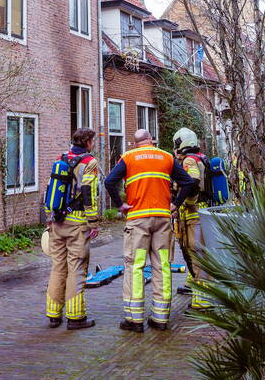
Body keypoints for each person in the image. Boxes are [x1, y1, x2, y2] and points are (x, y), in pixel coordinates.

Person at [105, 128, 197, 332]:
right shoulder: (166, 157)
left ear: (136, 142)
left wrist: (120, 204)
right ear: (150, 140)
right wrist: (176, 204)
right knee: (162, 265)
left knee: (135, 266)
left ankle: (134, 319)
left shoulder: (128, 158)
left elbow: (109, 181)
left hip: (138, 220)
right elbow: (188, 182)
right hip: (163, 219)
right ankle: (160, 318)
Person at [44, 127, 101, 330]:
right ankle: (76, 317)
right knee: (76, 267)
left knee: (58, 266)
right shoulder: (89, 163)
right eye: (92, 141)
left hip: (57, 221)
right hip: (77, 223)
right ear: (87, 142)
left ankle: (53, 314)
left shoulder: (61, 159)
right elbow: (88, 192)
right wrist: (93, 222)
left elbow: (49, 188)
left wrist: (49, 216)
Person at [171, 127, 212, 311]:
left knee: (197, 254)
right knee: (196, 253)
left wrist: (180, 203)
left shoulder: (189, 160)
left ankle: (202, 301)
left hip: (194, 213)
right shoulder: (201, 157)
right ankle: (198, 291)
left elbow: (192, 183)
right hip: (201, 212)